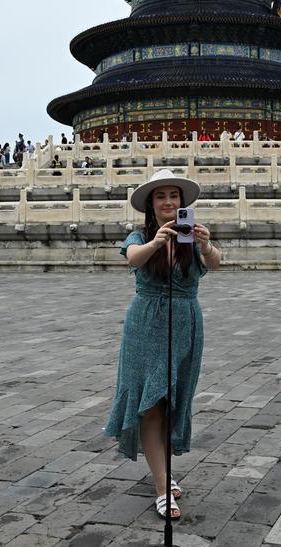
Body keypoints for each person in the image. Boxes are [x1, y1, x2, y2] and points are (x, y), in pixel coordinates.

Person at [105, 169, 220, 521]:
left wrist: (205, 244)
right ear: (150, 205)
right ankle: (161, 487)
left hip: (185, 323)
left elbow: (215, 264)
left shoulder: (191, 237)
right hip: (146, 324)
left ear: (182, 203)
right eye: (161, 196)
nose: (169, 202)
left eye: (174, 196)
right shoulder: (140, 236)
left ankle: (163, 473)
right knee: (151, 401)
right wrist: (157, 243)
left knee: (172, 399)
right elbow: (132, 258)